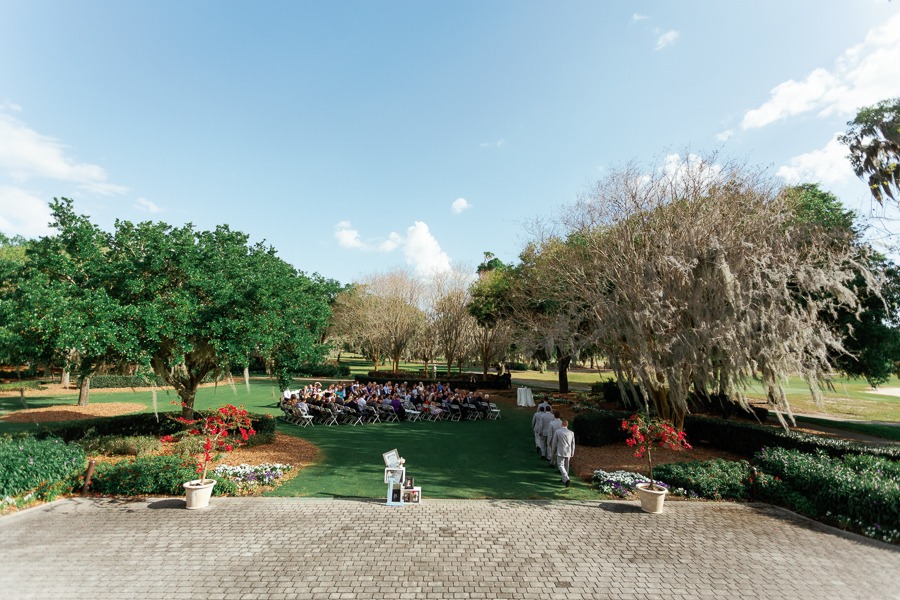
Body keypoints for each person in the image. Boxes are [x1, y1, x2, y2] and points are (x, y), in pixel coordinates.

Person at [550, 420, 576, 487]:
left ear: (562, 424)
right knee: (566, 465)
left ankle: (566, 478)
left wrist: (553, 450)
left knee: (560, 464)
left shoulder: (558, 432)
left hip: (560, 450)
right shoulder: (571, 433)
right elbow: (573, 443)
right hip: (568, 451)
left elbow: (554, 442)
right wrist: (572, 451)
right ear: (567, 425)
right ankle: (564, 479)